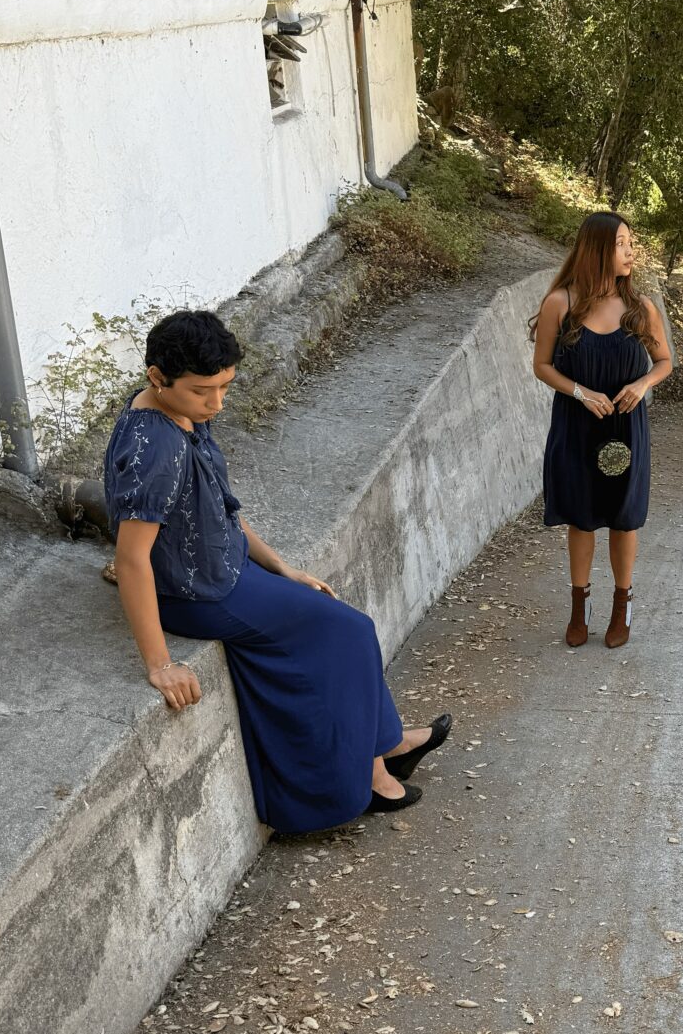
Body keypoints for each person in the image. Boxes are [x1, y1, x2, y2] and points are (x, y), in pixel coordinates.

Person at [105, 310, 450, 832]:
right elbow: (131, 558)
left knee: (341, 629)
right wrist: (160, 665)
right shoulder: (158, 447)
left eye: (224, 387)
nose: (216, 404)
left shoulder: (176, 412)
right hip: (201, 592)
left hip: (223, 567)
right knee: (350, 631)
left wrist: (282, 567)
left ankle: (385, 750)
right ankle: (375, 767)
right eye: (202, 391)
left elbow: (221, 508)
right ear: (157, 376)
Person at [531, 212, 672, 649]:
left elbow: (664, 361)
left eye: (631, 243)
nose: (630, 252)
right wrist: (580, 392)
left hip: (626, 427)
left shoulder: (640, 308)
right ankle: (580, 608)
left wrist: (642, 384)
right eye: (621, 244)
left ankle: (621, 606)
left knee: (624, 519)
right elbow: (542, 366)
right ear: (596, 250)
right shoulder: (560, 303)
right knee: (581, 517)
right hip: (576, 425)